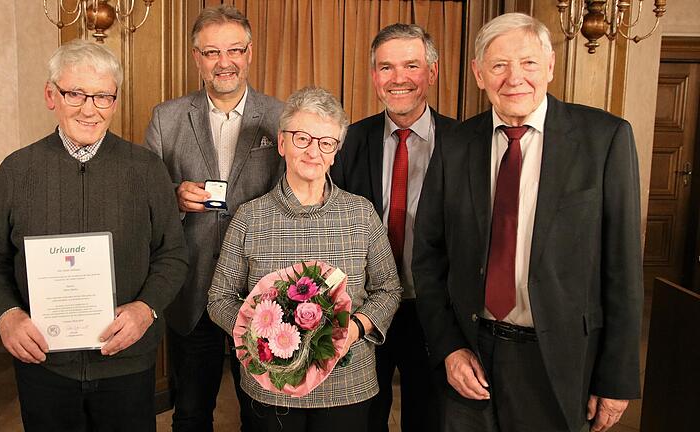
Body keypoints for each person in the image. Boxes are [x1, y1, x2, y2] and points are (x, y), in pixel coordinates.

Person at [413, 12, 643, 432]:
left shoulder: (604, 139)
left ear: (550, 67)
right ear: (479, 74)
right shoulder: (455, 145)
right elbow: (428, 258)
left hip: (559, 359)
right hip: (472, 356)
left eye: (529, 63)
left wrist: (617, 377)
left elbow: (623, 269)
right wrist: (448, 348)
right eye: (499, 65)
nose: (514, 77)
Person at [0, 39, 188, 431]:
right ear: (50, 95)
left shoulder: (146, 169)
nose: (90, 109)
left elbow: (173, 254)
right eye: (76, 93)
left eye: (103, 96)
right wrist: (6, 316)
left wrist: (146, 309)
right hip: (45, 365)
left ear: (115, 101)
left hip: (126, 361)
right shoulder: (17, 171)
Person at [207, 87, 402, 432]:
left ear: (335, 152)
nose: (313, 151)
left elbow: (388, 288)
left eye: (326, 143)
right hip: (271, 388)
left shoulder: (360, 213)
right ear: (282, 144)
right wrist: (259, 335)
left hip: (348, 386)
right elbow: (218, 298)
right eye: (302, 139)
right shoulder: (250, 217)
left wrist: (353, 329)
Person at [145, 5, 284, 431]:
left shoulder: (283, 117)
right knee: (190, 413)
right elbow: (144, 200)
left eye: (234, 50)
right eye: (211, 53)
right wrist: (172, 196)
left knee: (261, 414)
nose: (224, 62)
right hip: (192, 288)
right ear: (196, 58)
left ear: (249, 52)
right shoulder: (166, 119)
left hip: (262, 289)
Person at [330, 23, 458, 431]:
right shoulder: (350, 140)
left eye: (411, 65)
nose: (398, 78)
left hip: (436, 309)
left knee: (429, 418)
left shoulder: (464, 142)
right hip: (364, 311)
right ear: (374, 77)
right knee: (364, 419)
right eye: (386, 67)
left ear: (432, 73)